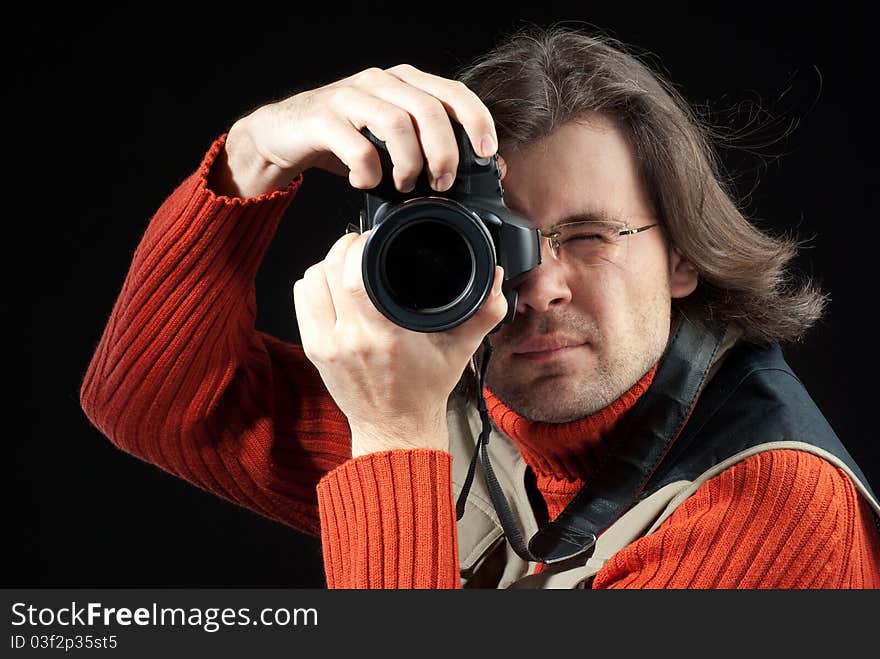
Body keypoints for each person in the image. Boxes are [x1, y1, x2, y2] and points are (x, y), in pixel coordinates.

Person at [79, 24, 880, 588]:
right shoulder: (473, 412)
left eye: (590, 235)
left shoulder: (774, 512)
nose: (538, 284)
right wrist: (255, 151)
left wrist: (395, 437)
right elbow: (153, 404)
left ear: (680, 256)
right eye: (499, 243)